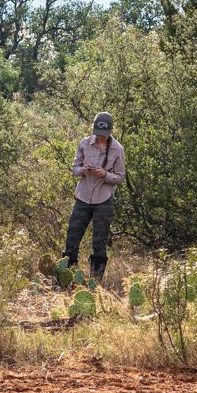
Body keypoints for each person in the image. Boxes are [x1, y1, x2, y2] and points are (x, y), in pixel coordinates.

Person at [65, 112, 124, 284]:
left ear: (110, 132)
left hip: (103, 199)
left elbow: (120, 177)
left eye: (103, 134)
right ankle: (67, 279)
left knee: (99, 241)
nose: (100, 136)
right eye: (98, 132)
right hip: (82, 197)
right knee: (72, 237)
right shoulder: (84, 143)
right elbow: (74, 167)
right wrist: (82, 170)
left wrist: (104, 174)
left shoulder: (117, 149)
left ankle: (95, 283)